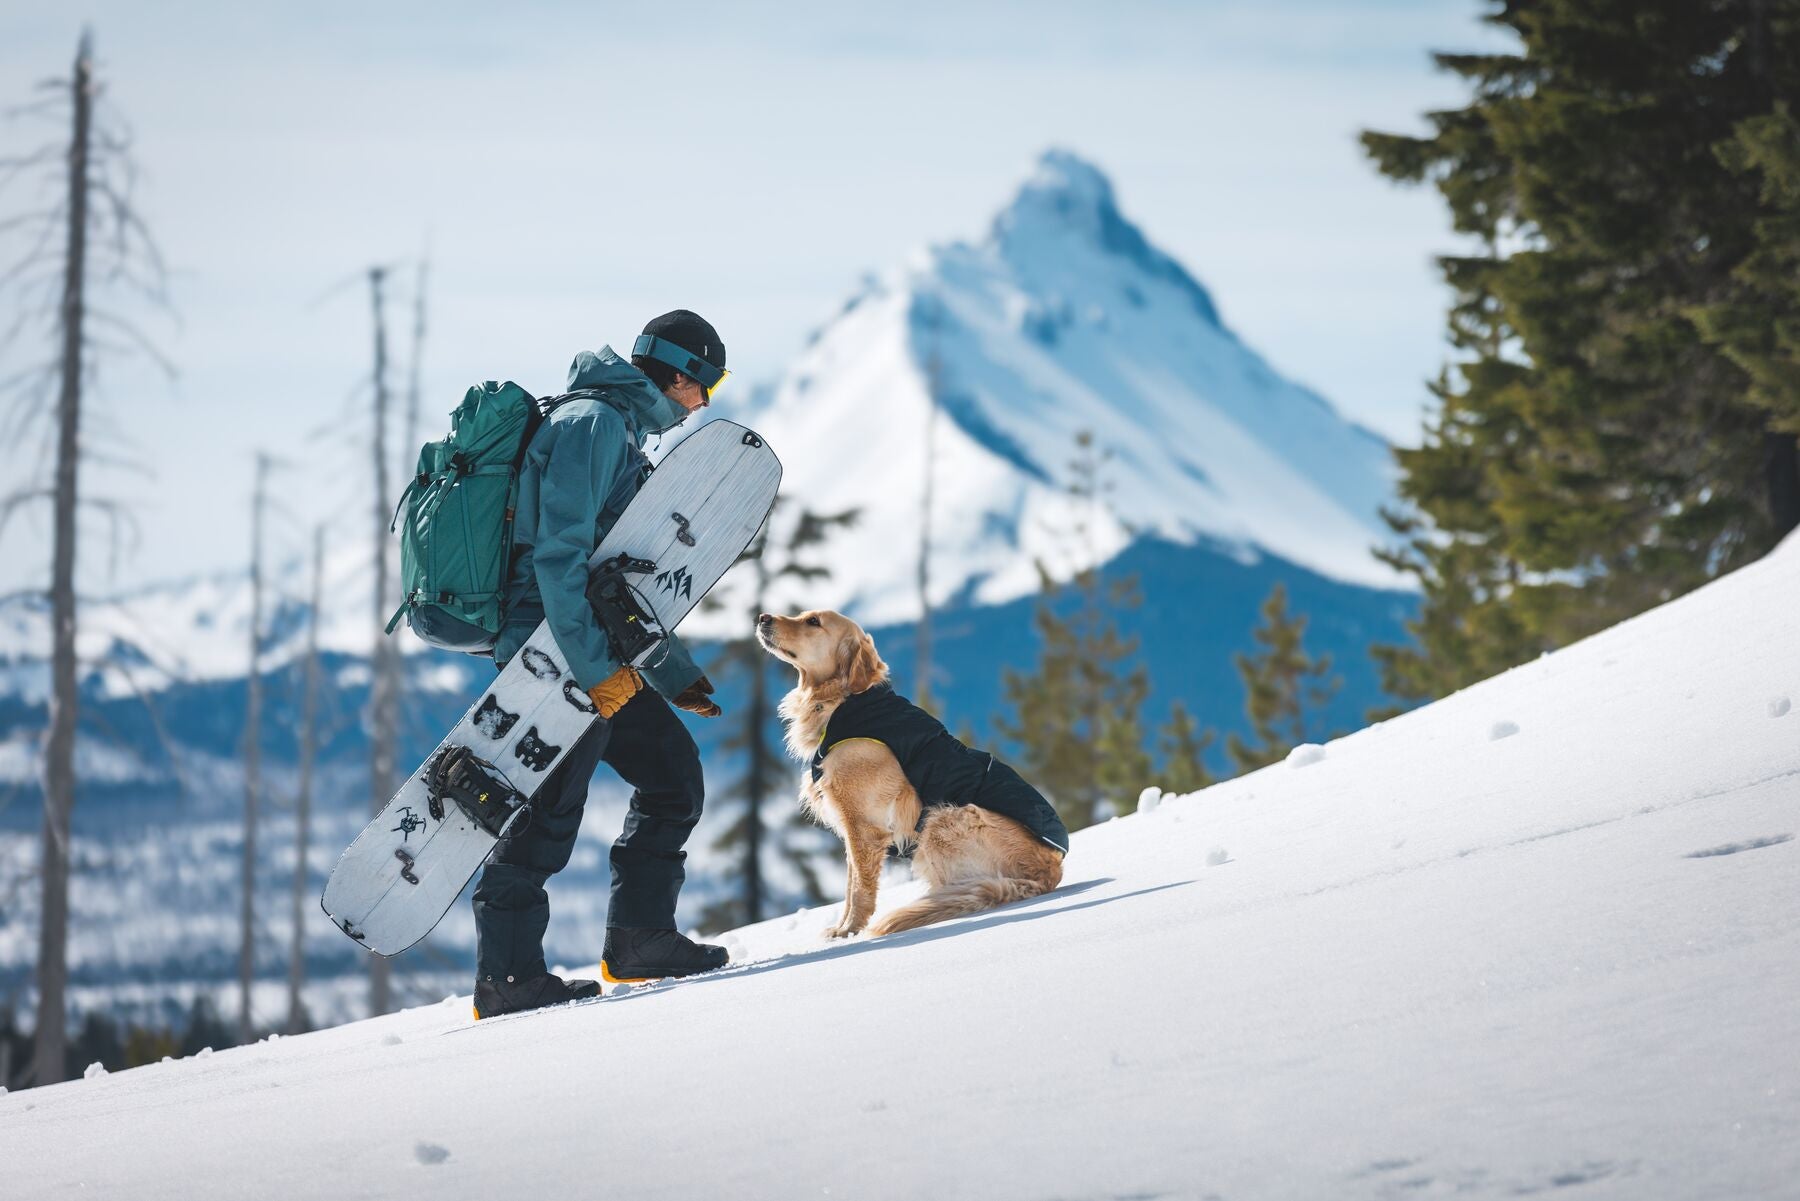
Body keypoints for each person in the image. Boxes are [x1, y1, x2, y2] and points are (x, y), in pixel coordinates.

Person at [470, 310, 733, 1019]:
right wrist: (596, 673)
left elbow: (617, 579)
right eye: (707, 384)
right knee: (551, 809)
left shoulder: (617, 429)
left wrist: (673, 673)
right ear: (679, 376)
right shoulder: (593, 426)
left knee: (673, 776)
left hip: (590, 647)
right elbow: (558, 561)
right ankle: (508, 978)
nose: (704, 402)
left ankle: (640, 937)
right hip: (549, 652)